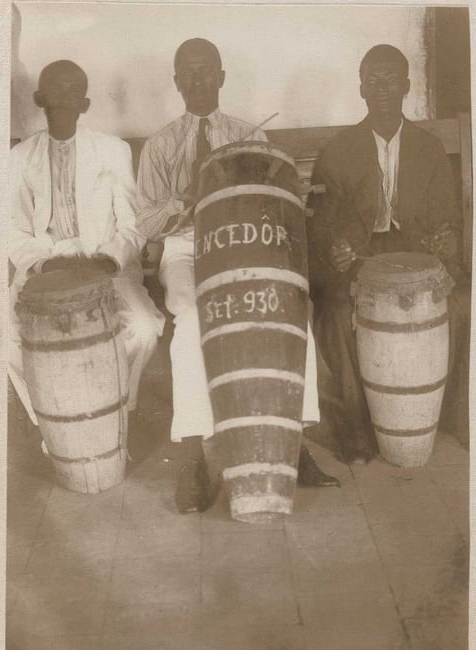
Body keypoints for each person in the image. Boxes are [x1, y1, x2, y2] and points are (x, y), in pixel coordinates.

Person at [136, 38, 338, 514]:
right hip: (187, 247)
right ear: (177, 82)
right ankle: (193, 455)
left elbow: (275, 203)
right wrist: (187, 198)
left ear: (222, 77)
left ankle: (294, 443)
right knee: (192, 319)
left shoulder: (251, 136)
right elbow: (146, 223)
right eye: (188, 72)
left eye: (207, 70)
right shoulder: (160, 145)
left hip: (246, 243)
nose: (198, 79)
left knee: (290, 315)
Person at [307, 44, 470, 460]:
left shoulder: (429, 148)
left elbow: (447, 216)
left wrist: (446, 239)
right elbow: (322, 222)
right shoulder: (338, 150)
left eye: (390, 79)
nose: (381, 88)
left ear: (406, 87)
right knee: (336, 312)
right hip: (361, 255)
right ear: (362, 89)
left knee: (461, 304)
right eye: (372, 81)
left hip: (416, 254)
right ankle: (356, 429)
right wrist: (336, 249)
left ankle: (447, 415)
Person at [9, 60, 165, 457]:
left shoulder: (113, 151)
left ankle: (120, 411)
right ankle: (52, 421)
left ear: (86, 103)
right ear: (39, 99)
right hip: (45, 265)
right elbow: (12, 230)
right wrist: (44, 264)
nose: (64, 99)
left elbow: (133, 225)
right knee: (4, 337)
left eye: (74, 92)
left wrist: (107, 261)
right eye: (55, 91)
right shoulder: (19, 157)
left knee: (144, 328)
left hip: (105, 264)